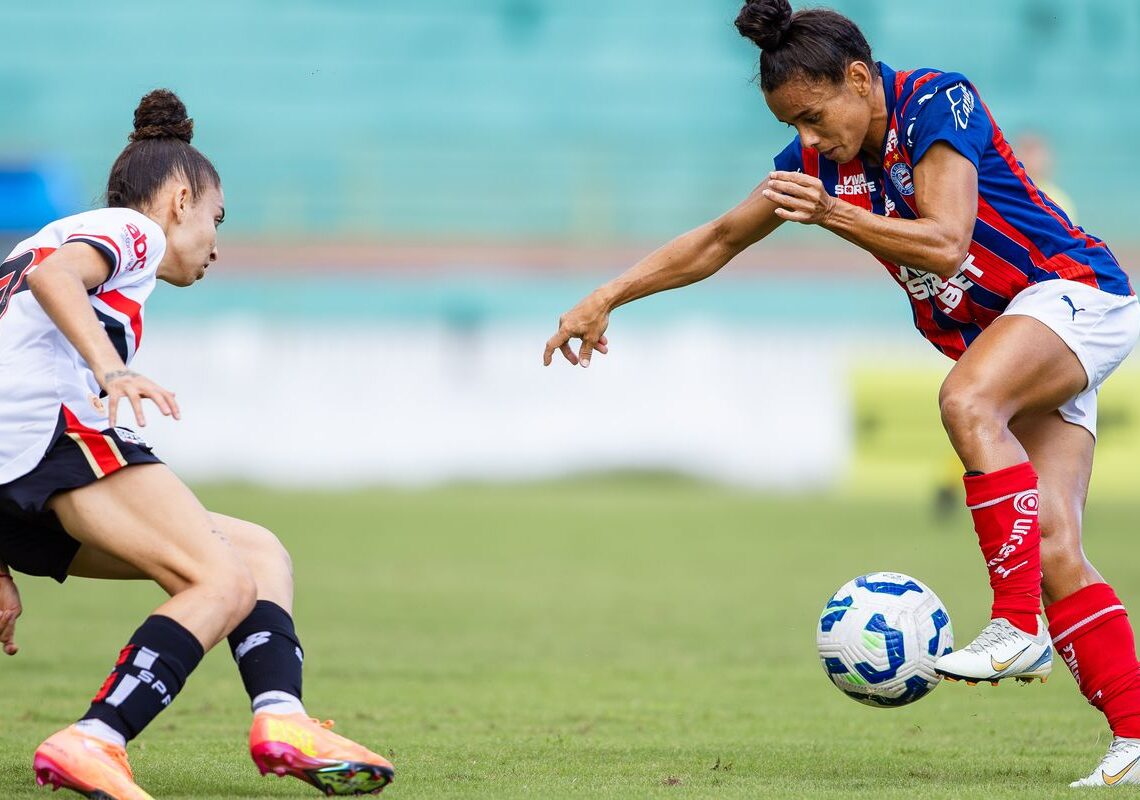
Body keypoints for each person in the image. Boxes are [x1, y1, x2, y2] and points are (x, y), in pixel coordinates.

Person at [543, 0, 1140, 788]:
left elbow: (947, 239)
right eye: (793, 125)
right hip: (1020, 340)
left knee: (965, 401)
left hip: (1072, 297)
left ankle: (1012, 624)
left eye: (816, 117)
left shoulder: (936, 99)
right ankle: (1134, 732)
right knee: (1055, 547)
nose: (809, 140)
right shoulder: (820, 163)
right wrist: (608, 295)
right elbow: (720, 240)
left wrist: (831, 213)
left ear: (860, 79)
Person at [0, 89, 394, 798]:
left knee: (257, 552)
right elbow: (58, 282)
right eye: (217, 217)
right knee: (221, 580)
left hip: (16, 471)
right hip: (52, 442)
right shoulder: (133, 230)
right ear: (180, 197)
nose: (216, 241)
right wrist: (112, 368)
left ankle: (284, 717)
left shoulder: (47, 237)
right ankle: (95, 738)